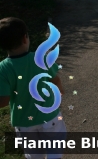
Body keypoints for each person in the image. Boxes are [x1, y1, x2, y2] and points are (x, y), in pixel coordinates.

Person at [0, 17, 67, 159]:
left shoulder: (3, 69)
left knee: (33, 155)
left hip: (24, 123)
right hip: (49, 118)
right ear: (25, 38)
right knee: (54, 150)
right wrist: (60, 91)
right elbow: (55, 79)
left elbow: (4, 101)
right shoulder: (41, 58)